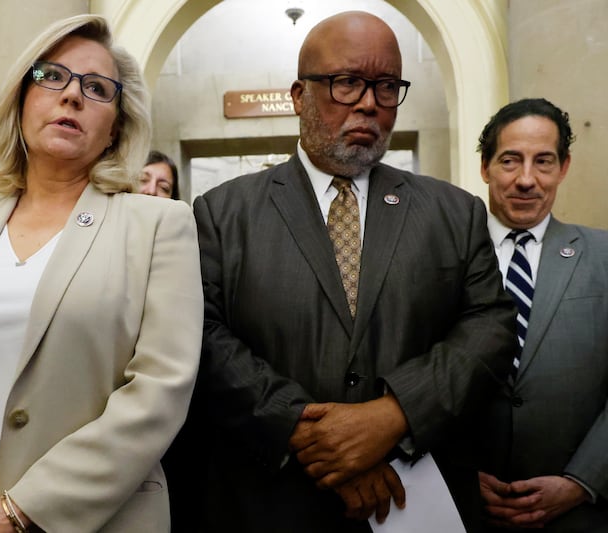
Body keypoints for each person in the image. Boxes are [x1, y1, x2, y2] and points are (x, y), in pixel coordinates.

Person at [178, 10, 518, 532]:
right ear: (298, 95)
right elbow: (201, 335)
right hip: (270, 503)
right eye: (346, 83)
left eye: (386, 87)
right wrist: (306, 431)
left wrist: (395, 415)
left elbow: (490, 328)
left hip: (413, 500)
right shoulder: (221, 214)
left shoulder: (454, 212)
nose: (368, 103)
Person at [0, 14, 202, 533]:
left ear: (117, 125)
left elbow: (159, 391)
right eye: (52, 77)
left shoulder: (160, 225)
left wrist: (20, 510)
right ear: (20, 101)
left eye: (96, 88)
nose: (72, 96)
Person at [477, 98, 608, 531]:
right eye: (510, 161)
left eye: (544, 162)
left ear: (564, 167)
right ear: (485, 167)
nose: (527, 180)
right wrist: (459, 472)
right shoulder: (443, 258)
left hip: (580, 516)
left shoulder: (603, 257)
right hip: (466, 510)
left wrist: (582, 481)